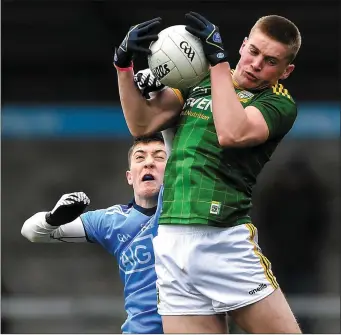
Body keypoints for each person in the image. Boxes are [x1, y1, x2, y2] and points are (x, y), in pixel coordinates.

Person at [114, 11, 302, 334]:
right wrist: (123, 66)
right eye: (254, 51)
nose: (257, 64)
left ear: (286, 71)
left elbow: (232, 132)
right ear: (243, 45)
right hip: (172, 240)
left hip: (223, 240)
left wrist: (218, 63)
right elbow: (141, 124)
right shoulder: (197, 81)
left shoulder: (279, 104)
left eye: (271, 61)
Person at [21, 133, 168, 334]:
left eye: (159, 157)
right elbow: (30, 232)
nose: (149, 163)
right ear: (129, 176)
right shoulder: (111, 221)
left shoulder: (193, 212)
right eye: (140, 157)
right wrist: (54, 218)